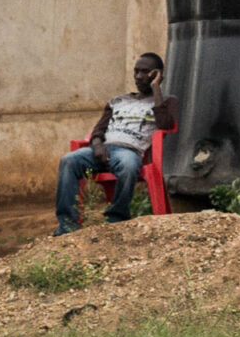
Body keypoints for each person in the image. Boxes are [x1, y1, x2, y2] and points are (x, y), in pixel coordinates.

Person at [55, 52, 178, 235]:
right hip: (102, 148)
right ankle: (68, 226)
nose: (138, 77)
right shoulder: (118, 101)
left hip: (129, 151)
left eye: (145, 72)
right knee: (68, 161)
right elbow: (98, 130)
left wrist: (155, 89)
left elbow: (166, 124)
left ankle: (117, 218)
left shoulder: (167, 101)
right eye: (136, 72)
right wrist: (97, 146)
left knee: (129, 166)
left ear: (156, 74)